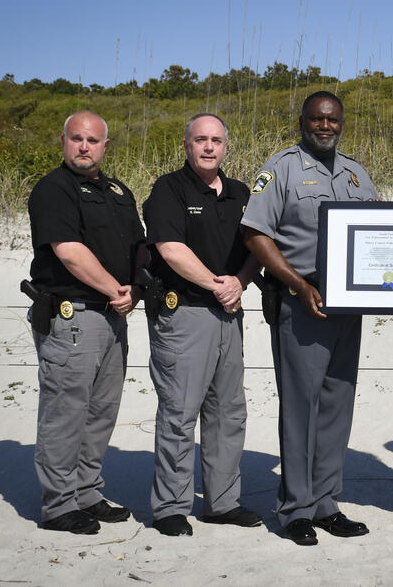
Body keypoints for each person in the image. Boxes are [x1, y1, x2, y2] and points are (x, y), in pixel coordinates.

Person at [241, 91, 379, 546]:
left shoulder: (357, 175)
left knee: (338, 404)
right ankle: (296, 509)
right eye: (317, 119)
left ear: (342, 123)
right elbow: (256, 234)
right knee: (301, 407)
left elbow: (382, 234)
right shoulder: (279, 168)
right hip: (302, 301)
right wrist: (299, 285)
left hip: (349, 305)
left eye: (333, 119)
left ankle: (326, 503)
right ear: (302, 121)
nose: (325, 126)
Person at [142, 113, 261, 537]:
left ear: (226, 146)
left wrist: (240, 282)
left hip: (230, 313)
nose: (208, 147)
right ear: (186, 145)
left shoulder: (240, 193)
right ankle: (171, 506)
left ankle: (222, 502)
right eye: (200, 140)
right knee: (179, 411)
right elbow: (170, 249)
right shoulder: (168, 189)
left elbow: (259, 244)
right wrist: (218, 285)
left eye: (216, 140)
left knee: (228, 412)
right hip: (186, 315)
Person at [26, 110, 145, 534]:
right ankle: (58, 504)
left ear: (105, 146)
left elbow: (138, 247)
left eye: (92, 140)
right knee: (66, 410)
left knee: (100, 411)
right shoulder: (53, 189)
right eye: (76, 138)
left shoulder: (117, 191)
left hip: (115, 314)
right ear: (63, 140)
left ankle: (87, 491)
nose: (83, 146)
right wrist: (116, 290)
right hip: (73, 315)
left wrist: (137, 288)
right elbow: (69, 251)